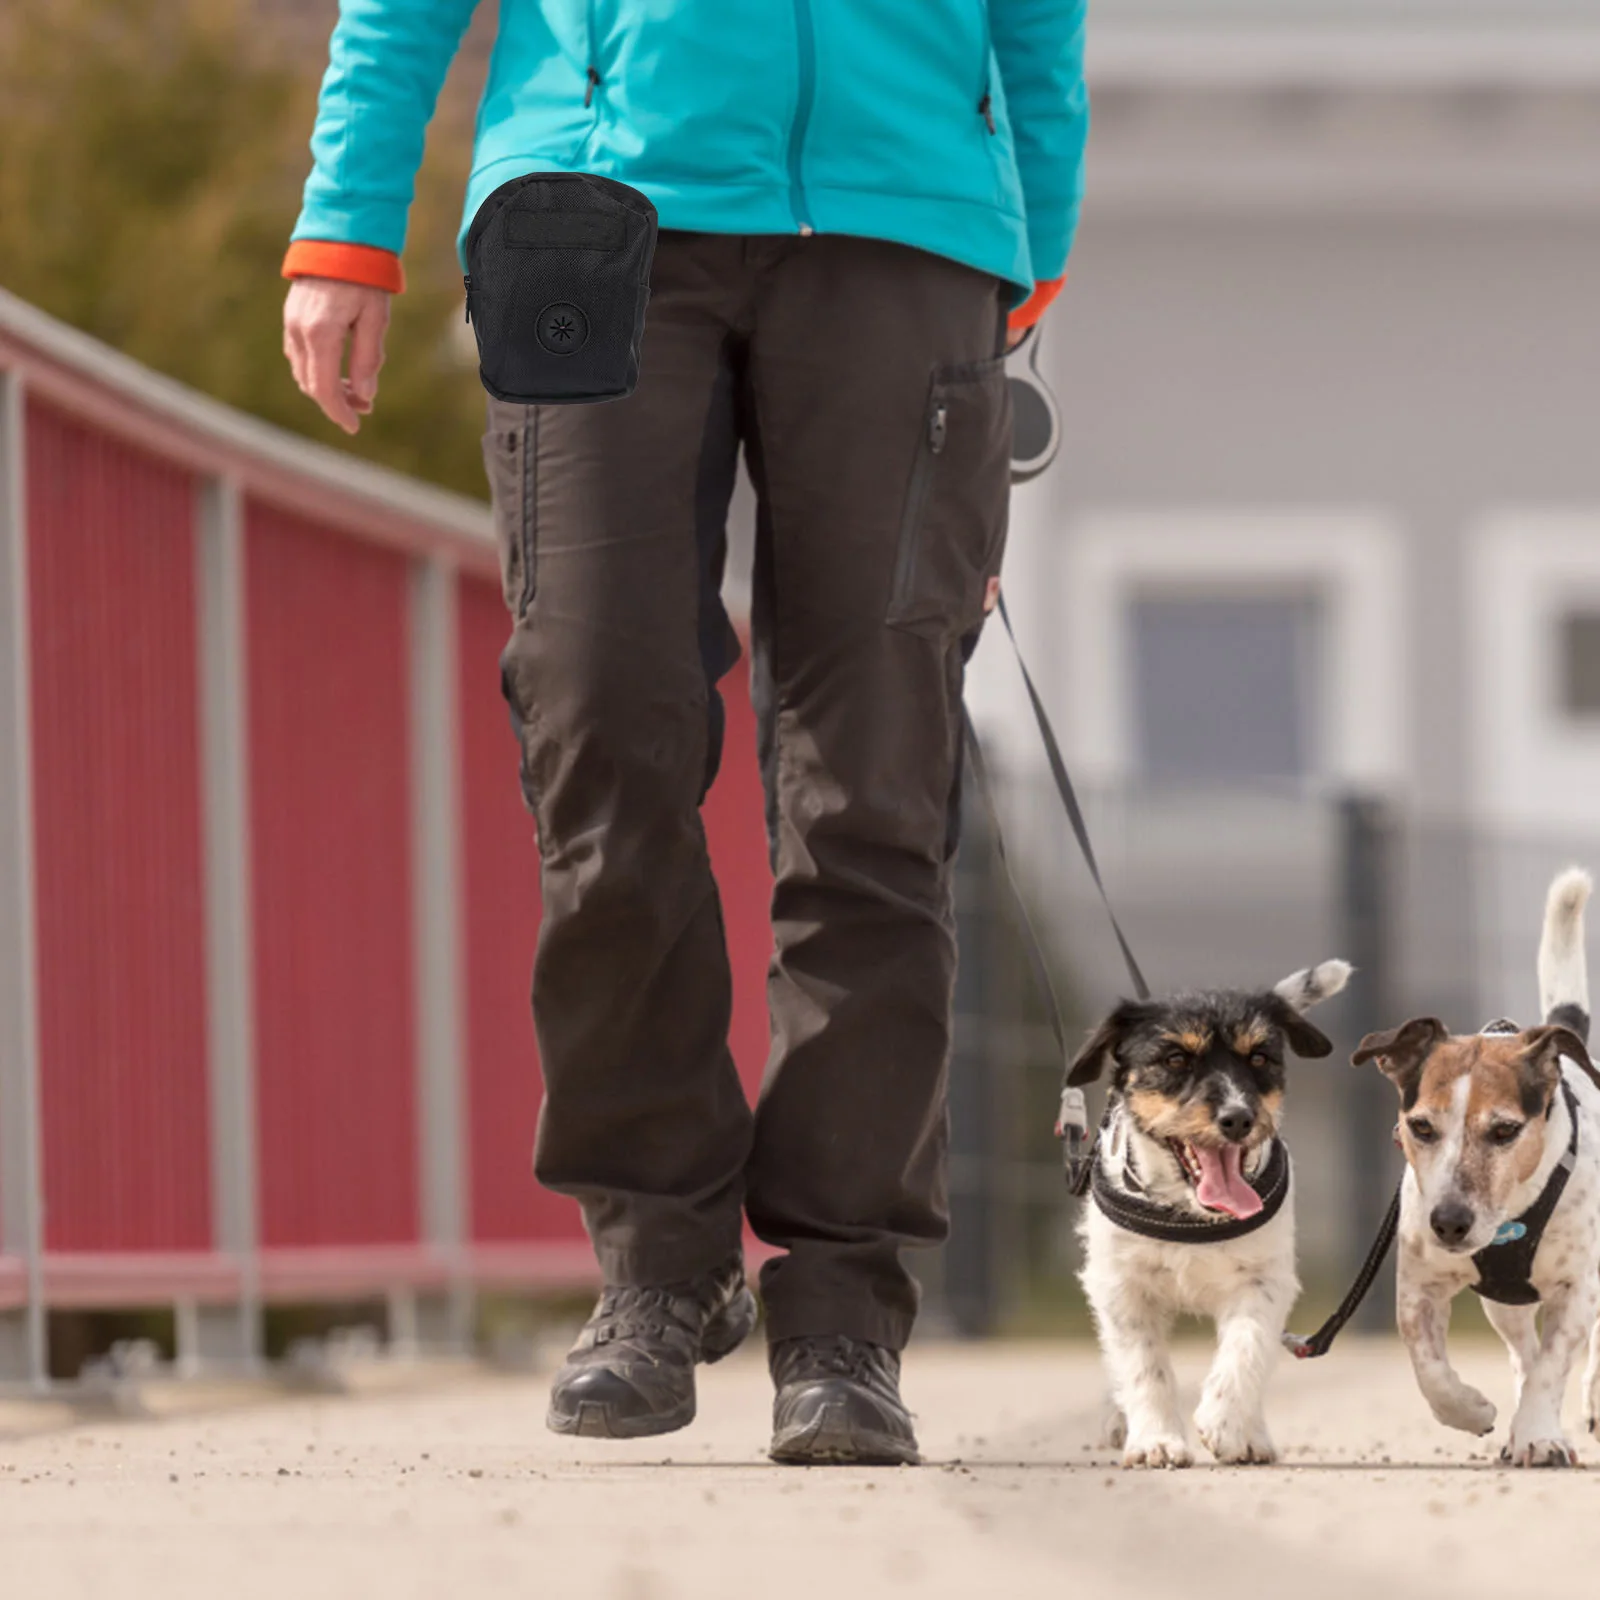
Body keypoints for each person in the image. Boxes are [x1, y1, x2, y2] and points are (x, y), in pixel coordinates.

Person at [282, 0, 1088, 1466]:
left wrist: (1031, 227)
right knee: (598, 726)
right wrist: (346, 228)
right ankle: (657, 1263)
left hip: (906, 228)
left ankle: (843, 1307)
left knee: (874, 790)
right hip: (589, 209)